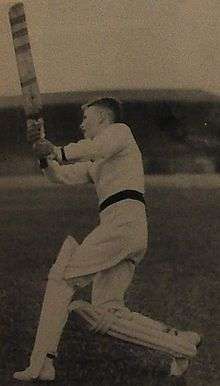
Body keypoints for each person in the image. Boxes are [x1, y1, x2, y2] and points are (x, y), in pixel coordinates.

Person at [13, 98, 201, 382]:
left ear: (102, 118)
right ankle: (181, 344)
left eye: (85, 119)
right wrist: (44, 156)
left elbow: (91, 148)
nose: (81, 124)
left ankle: (42, 363)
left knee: (61, 278)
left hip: (122, 224)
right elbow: (61, 177)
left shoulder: (120, 132)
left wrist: (56, 149)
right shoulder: (99, 160)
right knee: (106, 311)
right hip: (128, 229)